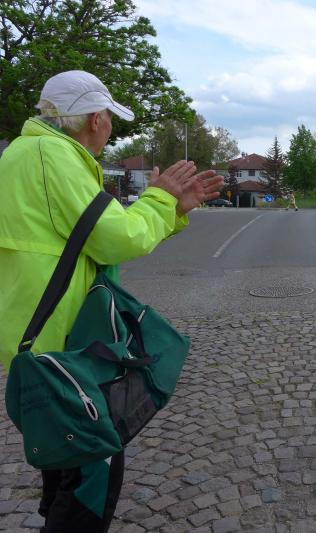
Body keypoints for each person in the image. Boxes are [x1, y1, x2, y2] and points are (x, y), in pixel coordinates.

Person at [0, 70, 223, 533]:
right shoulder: (53, 155)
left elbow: (85, 237)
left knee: (65, 454)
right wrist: (160, 200)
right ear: (95, 119)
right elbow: (116, 237)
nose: (110, 128)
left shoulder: (22, 152)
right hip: (60, 337)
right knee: (94, 467)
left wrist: (171, 209)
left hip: (36, 332)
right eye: (109, 118)